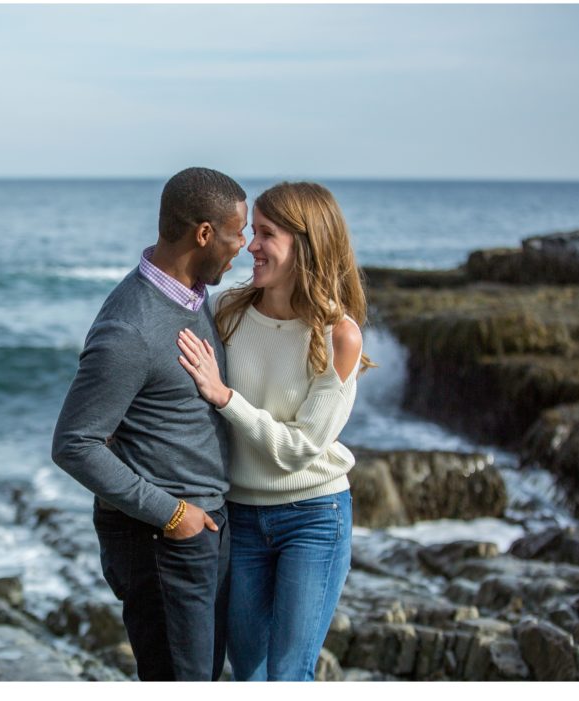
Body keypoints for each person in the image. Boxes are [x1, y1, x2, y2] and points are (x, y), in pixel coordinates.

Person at [51, 167, 247, 681]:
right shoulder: (129, 327)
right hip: (164, 537)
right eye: (236, 233)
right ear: (203, 234)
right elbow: (75, 444)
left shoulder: (197, 299)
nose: (243, 246)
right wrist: (171, 514)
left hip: (205, 526)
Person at [175, 181, 374, 681]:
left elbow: (300, 449)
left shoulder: (338, 335)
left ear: (303, 245)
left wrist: (226, 397)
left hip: (314, 517)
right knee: (247, 671)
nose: (249, 246)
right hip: (240, 516)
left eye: (265, 234)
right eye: (252, 232)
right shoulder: (227, 312)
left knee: (287, 675)